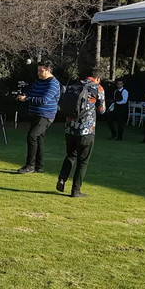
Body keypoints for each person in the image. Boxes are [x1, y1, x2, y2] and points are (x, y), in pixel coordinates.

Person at [56, 68, 104, 198]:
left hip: (70, 128)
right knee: (82, 161)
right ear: (98, 79)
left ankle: (62, 178)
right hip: (86, 130)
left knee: (70, 155)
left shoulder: (74, 86)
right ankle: (75, 190)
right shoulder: (97, 89)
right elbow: (102, 110)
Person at [15, 60, 61, 174]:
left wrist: (26, 99)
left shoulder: (53, 84)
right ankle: (39, 166)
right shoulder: (38, 81)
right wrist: (24, 95)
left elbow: (44, 100)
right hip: (35, 114)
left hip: (46, 115)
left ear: (48, 70)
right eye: (38, 70)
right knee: (39, 139)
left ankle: (30, 165)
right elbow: (32, 92)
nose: (39, 73)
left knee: (32, 136)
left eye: (41, 71)